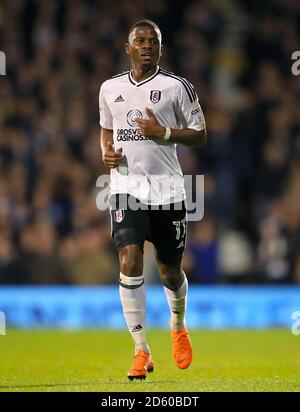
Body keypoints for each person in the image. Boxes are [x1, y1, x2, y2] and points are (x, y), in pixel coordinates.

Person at [99, 19, 206, 380]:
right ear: (126, 48)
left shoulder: (177, 88)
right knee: (129, 258)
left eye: (153, 41)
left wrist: (164, 132)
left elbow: (200, 134)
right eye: (140, 41)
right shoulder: (109, 88)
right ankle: (141, 350)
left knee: (169, 271)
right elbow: (107, 130)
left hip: (168, 192)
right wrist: (106, 154)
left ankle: (178, 324)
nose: (147, 46)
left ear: (161, 48)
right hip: (125, 188)